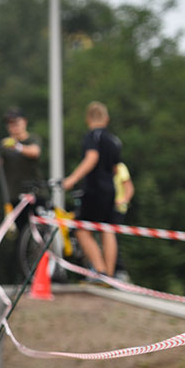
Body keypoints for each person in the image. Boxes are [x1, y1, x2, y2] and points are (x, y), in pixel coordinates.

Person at [62, 101, 124, 278]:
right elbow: (115, 169)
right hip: (110, 188)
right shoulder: (114, 140)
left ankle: (100, 270)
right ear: (107, 118)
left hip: (94, 188)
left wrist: (72, 179)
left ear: (88, 118)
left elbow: (92, 157)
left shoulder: (92, 136)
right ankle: (110, 275)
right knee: (107, 229)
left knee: (81, 228)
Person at [0, 107, 43, 223]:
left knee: (41, 230)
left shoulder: (32, 139)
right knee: (20, 235)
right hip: (15, 197)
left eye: (16, 123)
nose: (13, 127)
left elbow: (35, 152)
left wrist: (17, 146)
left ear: (24, 122)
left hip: (35, 195)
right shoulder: (4, 145)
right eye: (10, 124)